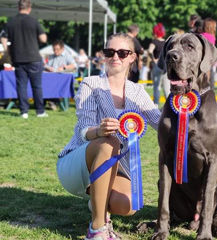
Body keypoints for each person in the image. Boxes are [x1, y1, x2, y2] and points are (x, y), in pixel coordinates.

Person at [56, 33, 161, 240]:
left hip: (115, 167)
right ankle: (96, 229)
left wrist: (184, 112)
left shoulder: (137, 92)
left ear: (132, 57)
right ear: (103, 55)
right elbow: (83, 130)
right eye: (109, 52)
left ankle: (97, 202)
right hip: (76, 164)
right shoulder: (91, 83)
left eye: (122, 53)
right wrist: (98, 131)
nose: (115, 57)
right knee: (108, 143)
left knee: (128, 205)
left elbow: (160, 122)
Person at [0, 0, 48, 119]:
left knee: (21, 86)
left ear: (18, 7)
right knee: (37, 86)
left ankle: (24, 112)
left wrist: (7, 50)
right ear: (29, 8)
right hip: (34, 58)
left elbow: (3, 37)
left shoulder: (10, 22)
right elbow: (43, 39)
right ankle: (40, 111)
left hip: (18, 58)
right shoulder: (34, 21)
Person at [44, 39, 77, 110]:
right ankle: (49, 101)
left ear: (62, 49)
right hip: (52, 78)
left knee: (53, 86)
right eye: (54, 49)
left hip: (63, 80)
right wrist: (48, 68)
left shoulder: (67, 56)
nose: (55, 51)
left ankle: (53, 102)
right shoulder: (51, 56)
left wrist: (64, 67)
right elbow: (47, 65)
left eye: (57, 49)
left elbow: (74, 66)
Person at [148, 23, 170, 106]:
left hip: (157, 67)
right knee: (166, 88)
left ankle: (156, 105)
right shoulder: (166, 42)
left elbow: (150, 51)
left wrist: (154, 59)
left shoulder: (154, 42)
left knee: (156, 87)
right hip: (165, 67)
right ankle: (169, 105)